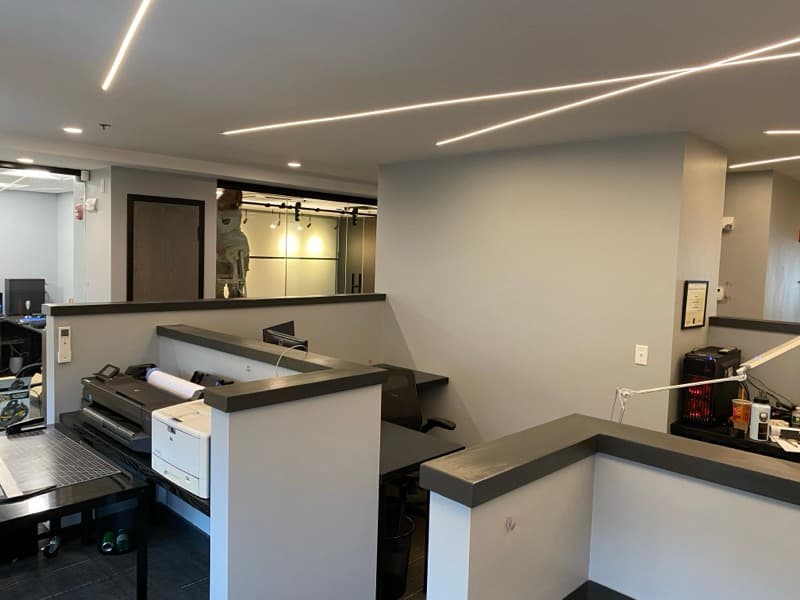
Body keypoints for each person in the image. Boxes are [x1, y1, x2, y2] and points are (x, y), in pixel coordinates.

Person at [216, 189, 250, 297]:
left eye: (230, 194)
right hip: (219, 253)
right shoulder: (213, 208)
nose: (226, 195)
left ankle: (235, 313)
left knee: (235, 290)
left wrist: (213, 210)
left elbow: (223, 228)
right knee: (215, 290)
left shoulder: (236, 213)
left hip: (238, 251)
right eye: (226, 192)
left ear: (235, 199)